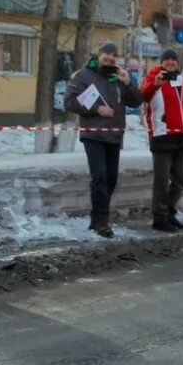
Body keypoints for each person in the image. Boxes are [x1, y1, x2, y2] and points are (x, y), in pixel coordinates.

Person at [63, 41, 143, 238]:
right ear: (98, 55)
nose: (111, 57)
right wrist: (97, 109)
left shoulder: (117, 77)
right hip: (94, 134)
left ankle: (98, 217)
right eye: (107, 54)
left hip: (114, 136)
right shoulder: (83, 75)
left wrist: (127, 83)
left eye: (115, 55)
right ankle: (101, 221)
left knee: (111, 179)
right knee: (100, 177)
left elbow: (136, 101)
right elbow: (69, 102)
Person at [141, 48, 183, 232]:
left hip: (182, 135)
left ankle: (169, 212)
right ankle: (159, 217)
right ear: (162, 62)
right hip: (162, 135)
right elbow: (144, 95)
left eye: (174, 60)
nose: (171, 62)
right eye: (167, 60)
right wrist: (156, 84)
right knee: (162, 181)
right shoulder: (153, 77)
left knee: (180, 179)